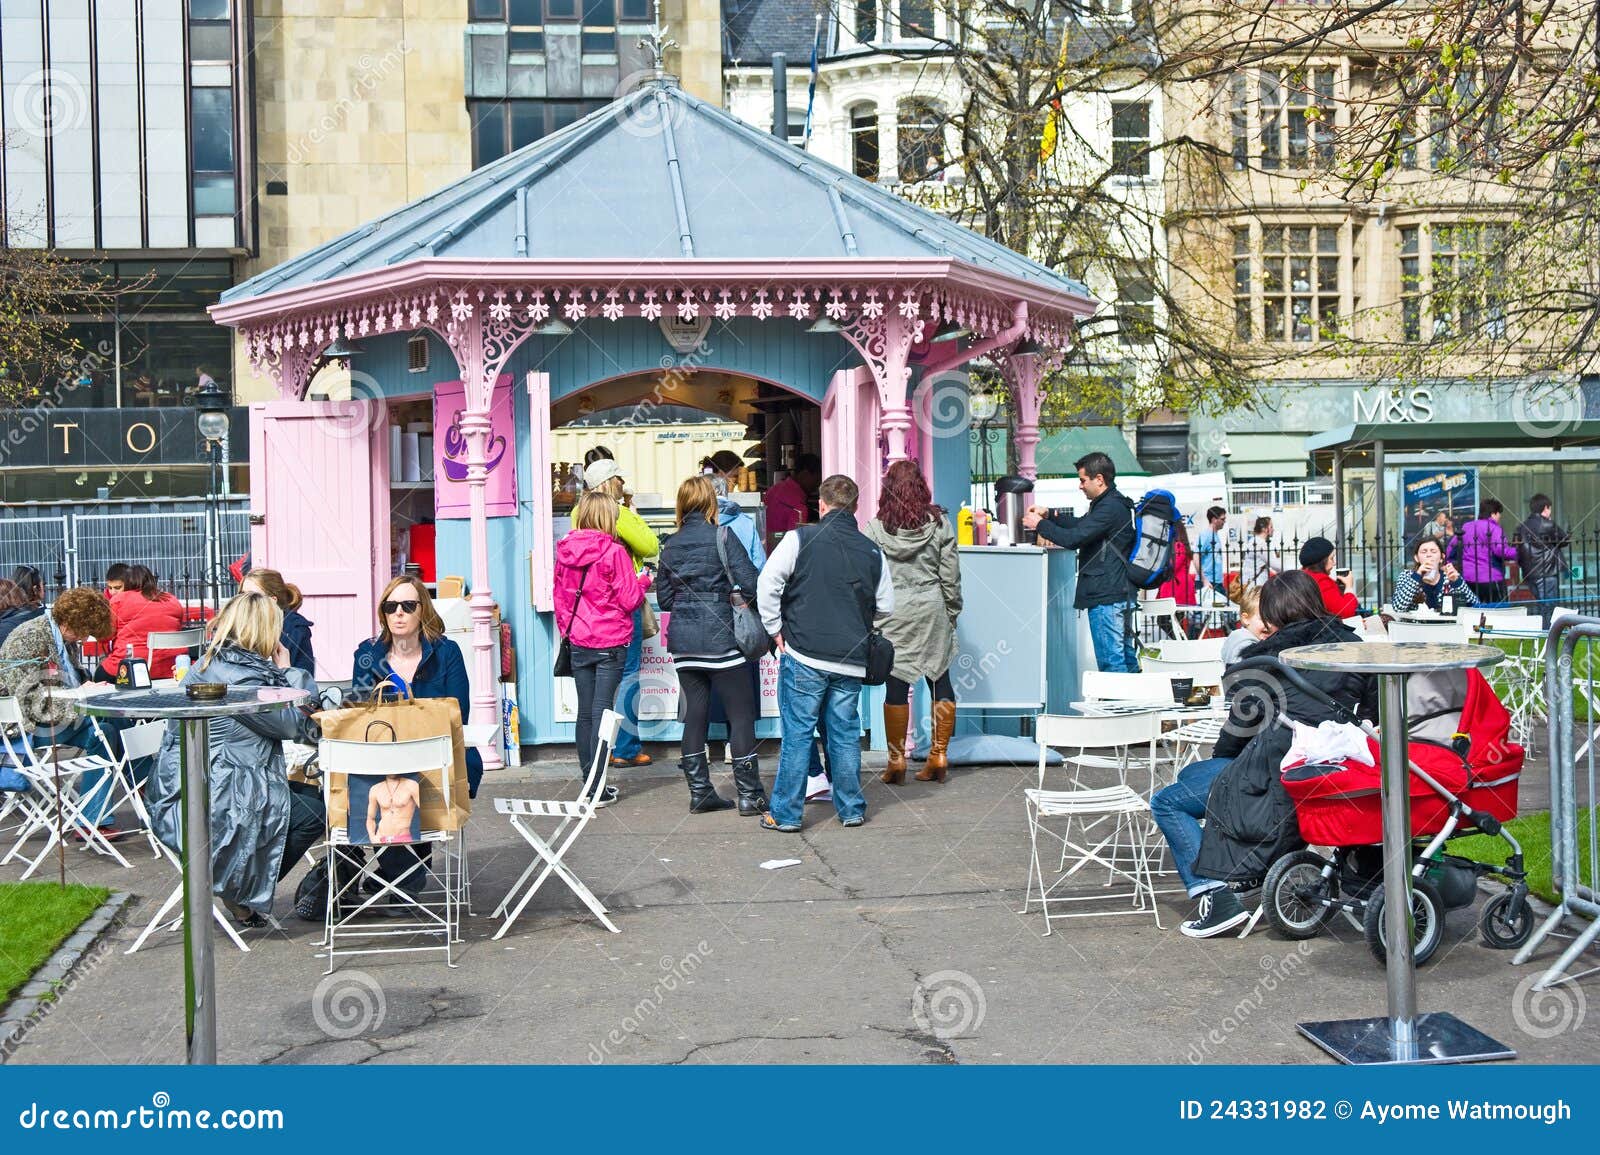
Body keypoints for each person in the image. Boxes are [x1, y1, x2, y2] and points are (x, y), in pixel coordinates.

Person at [1152, 572, 1375, 938]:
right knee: (1193, 778)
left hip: (1274, 773)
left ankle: (1215, 896)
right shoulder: (1354, 648)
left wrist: (1224, 760)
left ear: (1271, 613)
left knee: (1168, 801)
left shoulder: (1264, 661)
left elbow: (1238, 732)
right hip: (1333, 770)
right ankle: (1241, 873)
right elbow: (1372, 715)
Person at [147, 592, 321, 924]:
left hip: (204, 778)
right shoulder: (240, 677)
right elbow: (293, 726)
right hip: (219, 790)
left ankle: (241, 882)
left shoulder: (220, 662)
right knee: (315, 812)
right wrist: (287, 670)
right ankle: (236, 886)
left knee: (311, 797)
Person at [756, 473, 895, 832]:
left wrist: (775, 630)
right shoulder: (872, 550)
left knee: (798, 734)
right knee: (845, 735)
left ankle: (785, 814)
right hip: (850, 658)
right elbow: (886, 606)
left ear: (820, 504)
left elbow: (767, 583)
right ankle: (851, 808)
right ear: (856, 507)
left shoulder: (800, 538)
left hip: (804, 653)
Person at [352, 576, 483, 905]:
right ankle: (402, 875)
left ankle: (398, 877)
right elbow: (362, 713)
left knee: (415, 780)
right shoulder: (368, 654)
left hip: (437, 753)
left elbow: (458, 712)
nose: (398, 613)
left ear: (422, 610)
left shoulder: (445, 652)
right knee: (381, 782)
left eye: (408, 606)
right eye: (390, 606)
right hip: (385, 756)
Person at [655, 475, 767, 815]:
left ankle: (701, 793)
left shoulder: (671, 544)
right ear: (710, 503)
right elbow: (751, 582)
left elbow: (664, 599)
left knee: (694, 717)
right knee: (741, 715)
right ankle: (749, 796)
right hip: (723, 641)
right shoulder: (723, 535)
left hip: (685, 644)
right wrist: (731, 595)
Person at [865, 460, 962, 785]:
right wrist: (952, 611)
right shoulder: (940, 523)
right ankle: (939, 753)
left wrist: (872, 615)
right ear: (921, 486)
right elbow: (950, 573)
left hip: (894, 611)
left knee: (896, 684)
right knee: (940, 677)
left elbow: (870, 577)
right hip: (932, 604)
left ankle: (896, 760)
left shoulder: (876, 528)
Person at [553, 491, 651, 806]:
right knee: (602, 712)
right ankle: (596, 787)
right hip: (610, 642)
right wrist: (643, 582)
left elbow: (559, 598)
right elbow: (630, 600)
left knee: (585, 713)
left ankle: (589, 782)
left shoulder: (564, 551)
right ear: (607, 517)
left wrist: (569, 629)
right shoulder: (614, 552)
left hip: (579, 642)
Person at [1023, 452, 1137, 674]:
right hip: (1116, 594)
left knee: (1112, 664)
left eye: (1083, 480)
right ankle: (1135, 706)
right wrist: (1050, 515)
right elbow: (1079, 525)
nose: (1080, 486)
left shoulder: (1109, 507)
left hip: (1106, 596)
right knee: (1125, 660)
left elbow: (1073, 538)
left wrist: (1039, 525)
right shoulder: (1109, 503)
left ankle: (1120, 706)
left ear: (1099, 479)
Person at [583, 457, 660, 770]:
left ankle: (597, 754)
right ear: (606, 484)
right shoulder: (617, 513)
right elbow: (650, 545)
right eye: (618, 480)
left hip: (587, 615)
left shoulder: (579, 513)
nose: (623, 486)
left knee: (595, 687)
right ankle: (625, 748)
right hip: (622, 609)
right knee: (628, 678)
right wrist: (633, 514)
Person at [699, 450, 768, 767]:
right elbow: (759, 569)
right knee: (740, 678)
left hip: (707, 616)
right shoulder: (744, 523)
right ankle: (734, 745)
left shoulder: (698, 527)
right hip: (741, 613)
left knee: (705, 679)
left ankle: (699, 747)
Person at [99, 564, 184, 679]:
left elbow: (105, 636)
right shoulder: (172, 599)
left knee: (99, 674)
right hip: (172, 668)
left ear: (127, 582)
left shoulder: (119, 600)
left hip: (131, 669)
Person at [241, 567, 315, 675]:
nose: (244, 601)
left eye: (253, 596)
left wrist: (285, 671)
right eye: (242, 595)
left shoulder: (295, 630)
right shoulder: (236, 627)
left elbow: (304, 683)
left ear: (272, 600)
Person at [1452, 497, 1518, 604]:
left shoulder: (1466, 527)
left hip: (1468, 579)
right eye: (1499, 514)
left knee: (1472, 613)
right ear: (1493, 514)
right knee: (1498, 613)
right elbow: (1500, 551)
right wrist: (1519, 552)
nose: (1499, 518)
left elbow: (1451, 549)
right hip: (1491, 578)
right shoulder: (1494, 528)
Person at [1517, 494, 1568, 626]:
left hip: (1530, 574)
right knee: (1550, 608)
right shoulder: (1547, 524)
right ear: (1545, 508)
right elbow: (1564, 540)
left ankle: (1544, 633)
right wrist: (1550, 522)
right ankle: (1549, 636)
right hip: (1548, 573)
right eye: (1549, 508)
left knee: (1542, 606)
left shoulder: (1521, 527)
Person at [1391, 537, 1478, 614]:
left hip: (1445, 628)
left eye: (1433, 551)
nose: (1429, 555)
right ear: (1416, 558)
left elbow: (1474, 605)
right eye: (1424, 552)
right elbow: (1398, 607)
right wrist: (1417, 575)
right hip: (1416, 629)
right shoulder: (1407, 576)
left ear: (1441, 557)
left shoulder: (1449, 577)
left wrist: (1457, 582)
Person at [763, 452, 821, 551]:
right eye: (817, 479)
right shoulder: (798, 506)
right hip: (781, 557)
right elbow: (796, 544)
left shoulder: (774, 489)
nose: (818, 484)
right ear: (805, 474)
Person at [1296, 537, 1359, 619]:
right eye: (1331, 558)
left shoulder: (1303, 576)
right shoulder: (1321, 581)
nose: (1334, 563)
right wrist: (1349, 588)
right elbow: (1345, 612)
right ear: (1322, 561)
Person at [1158, 519, 1197, 630]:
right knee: (1174, 622)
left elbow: (1172, 566)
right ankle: (1181, 643)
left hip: (1177, 588)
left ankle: (1180, 644)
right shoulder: (1180, 545)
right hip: (1178, 588)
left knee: (1165, 621)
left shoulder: (1178, 546)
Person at [1219, 583, 1266, 668]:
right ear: (1246, 619)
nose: (1269, 624)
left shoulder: (1238, 637)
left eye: (1273, 618)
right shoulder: (1243, 644)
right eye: (1263, 618)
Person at [0, 566, 47, 648]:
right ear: (35, 589)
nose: (44, 589)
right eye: (43, 584)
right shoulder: (42, 615)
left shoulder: (8, 622)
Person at [367, 775, 420, 844]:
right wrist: (372, 837)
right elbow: (370, 818)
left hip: (403, 838)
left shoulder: (411, 785)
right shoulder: (375, 789)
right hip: (380, 839)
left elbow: (426, 810)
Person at [1237, 517, 1276, 589]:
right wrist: (1292, 571)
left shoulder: (1253, 540)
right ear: (1264, 529)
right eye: (1271, 527)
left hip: (1250, 583)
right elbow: (1274, 564)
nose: (1273, 529)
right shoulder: (1260, 543)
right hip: (1256, 585)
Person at [1195, 506, 1227, 594]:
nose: (1224, 522)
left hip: (1216, 582)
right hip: (1207, 582)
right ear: (1214, 520)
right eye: (1222, 519)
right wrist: (1204, 580)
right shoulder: (1206, 535)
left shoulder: (1215, 535)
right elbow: (1196, 557)